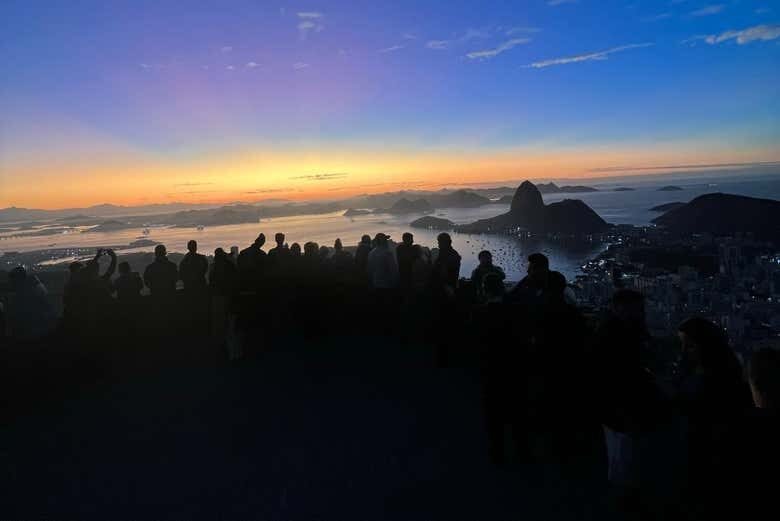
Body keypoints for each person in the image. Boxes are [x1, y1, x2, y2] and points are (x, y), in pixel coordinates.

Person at [6, 266, 56, 341]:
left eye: (13, 279)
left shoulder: (23, 292)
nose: (11, 281)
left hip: (31, 332)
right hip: (42, 330)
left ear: (17, 279)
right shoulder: (34, 287)